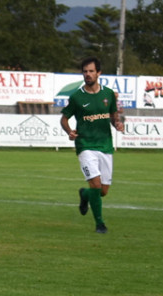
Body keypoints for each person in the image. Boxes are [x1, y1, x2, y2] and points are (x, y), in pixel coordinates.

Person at [60, 56, 124, 234]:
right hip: (85, 145)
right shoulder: (77, 97)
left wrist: (117, 124)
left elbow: (113, 117)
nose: (87, 74)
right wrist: (69, 131)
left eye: (91, 71)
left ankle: (85, 195)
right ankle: (100, 224)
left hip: (105, 146)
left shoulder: (108, 94)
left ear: (99, 73)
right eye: (85, 71)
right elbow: (64, 118)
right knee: (96, 185)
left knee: (102, 191)